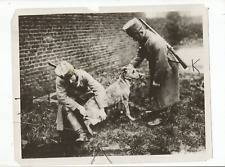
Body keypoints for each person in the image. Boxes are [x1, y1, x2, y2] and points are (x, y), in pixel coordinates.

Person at [122, 18, 179, 126]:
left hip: (167, 67)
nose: (134, 39)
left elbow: (162, 64)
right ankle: (157, 110)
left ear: (140, 32)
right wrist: (131, 65)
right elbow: (140, 54)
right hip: (157, 65)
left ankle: (161, 116)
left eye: (134, 37)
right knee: (155, 90)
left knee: (162, 89)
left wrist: (157, 80)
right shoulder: (143, 39)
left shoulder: (156, 42)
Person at [55, 61, 107, 142]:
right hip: (73, 99)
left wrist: (102, 108)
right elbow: (61, 97)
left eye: (71, 78)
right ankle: (81, 134)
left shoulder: (83, 75)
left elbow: (98, 89)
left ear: (74, 73)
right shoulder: (60, 80)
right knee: (64, 107)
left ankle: (96, 124)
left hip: (86, 96)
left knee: (95, 105)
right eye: (67, 80)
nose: (70, 82)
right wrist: (78, 107)